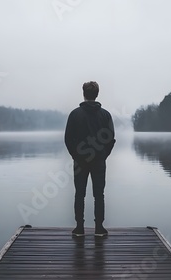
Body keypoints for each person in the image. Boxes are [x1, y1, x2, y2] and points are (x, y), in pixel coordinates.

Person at [64, 81, 116, 237]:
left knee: (79, 193)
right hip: (99, 161)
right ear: (97, 94)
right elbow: (111, 139)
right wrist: (103, 155)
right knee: (99, 194)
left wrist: (76, 155)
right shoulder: (105, 115)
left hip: (80, 161)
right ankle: (99, 228)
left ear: (83, 93)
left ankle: (79, 228)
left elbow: (68, 138)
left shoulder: (75, 114)